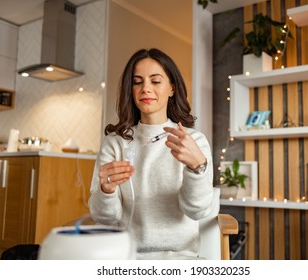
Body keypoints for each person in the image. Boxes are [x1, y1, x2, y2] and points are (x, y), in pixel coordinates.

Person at [88, 48, 214, 260]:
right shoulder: (114, 144)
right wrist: (106, 190)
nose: (145, 88)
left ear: (172, 88)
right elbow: (105, 218)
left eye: (155, 81)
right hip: (126, 258)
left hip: (181, 259)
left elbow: (198, 211)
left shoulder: (193, 142)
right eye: (137, 82)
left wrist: (197, 168)